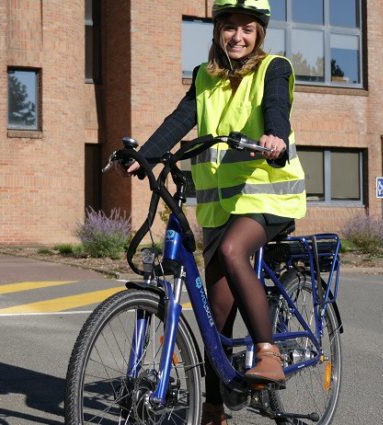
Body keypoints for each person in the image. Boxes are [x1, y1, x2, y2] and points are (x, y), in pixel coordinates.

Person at [124, 1, 306, 424]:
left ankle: (268, 352)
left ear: (259, 34)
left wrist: (275, 137)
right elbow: (179, 120)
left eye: (247, 29)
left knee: (231, 252)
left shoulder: (273, 68)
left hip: (268, 198)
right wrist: (144, 156)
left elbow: (276, 109)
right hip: (221, 207)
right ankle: (212, 408)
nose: (237, 36)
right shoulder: (205, 77)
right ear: (217, 31)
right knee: (215, 315)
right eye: (229, 27)